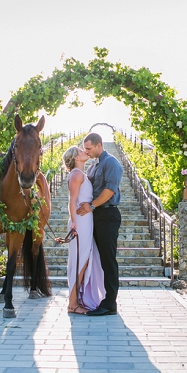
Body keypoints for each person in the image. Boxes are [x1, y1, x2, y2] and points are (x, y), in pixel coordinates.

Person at [76, 132, 123, 316]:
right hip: (97, 216)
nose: (86, 152)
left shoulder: (111, 162)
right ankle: (96, 298)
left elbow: (110, 190)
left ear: (98, 145)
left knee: (108, 260)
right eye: (84, 149)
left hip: (108, 216)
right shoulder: (95, 165)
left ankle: (110, 303)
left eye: (88, 148)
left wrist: (92, 206)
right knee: (99, 260)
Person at [57, 145, 105, 314]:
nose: (85, 151)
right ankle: (72, 304)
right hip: (81, 222)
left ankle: (76, 300)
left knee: (84, 260)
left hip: (86, 220)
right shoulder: (76, 174)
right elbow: (72, 200)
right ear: (76, 158)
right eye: (81, 150)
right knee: (81, 260)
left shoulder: (82, 174)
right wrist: (74, 223)